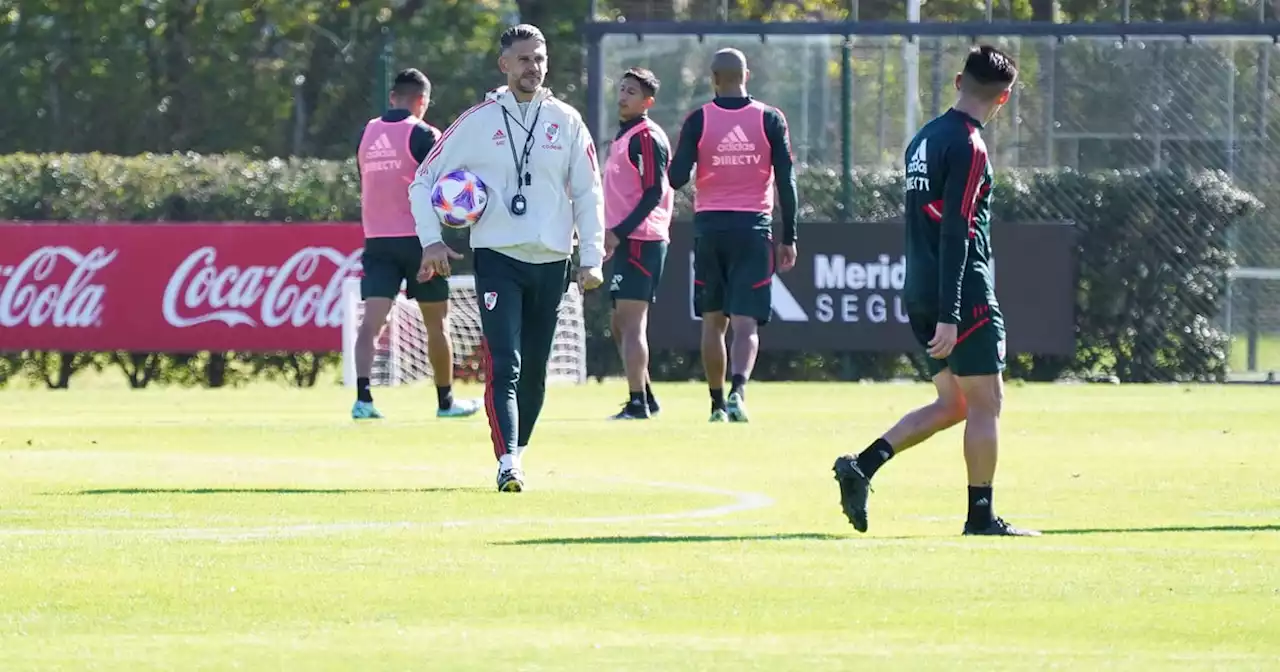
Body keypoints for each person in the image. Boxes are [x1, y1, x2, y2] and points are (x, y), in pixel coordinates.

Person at [832, 45, 1040, 537]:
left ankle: (863, 465)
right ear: (1004, 99)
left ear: (957, 81)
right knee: (987, 402)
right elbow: (957, 232)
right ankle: (981, 517)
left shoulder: (923, 138)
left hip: (919, 286)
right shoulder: (970, 146)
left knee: (955, 404)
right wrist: (952, 312)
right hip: (960, 293)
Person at [408, 24, 606, 493]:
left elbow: (588, 192)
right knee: (507, 362)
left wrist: (592, 258)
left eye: (539, 58)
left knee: (536, 370)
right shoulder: (477, 121)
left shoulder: (566, 120)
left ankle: (516, 452)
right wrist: (431, 241)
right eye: (523, 59)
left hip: (554, 259)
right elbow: (423, 179)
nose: (532, 67)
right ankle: (508, 460)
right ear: (504, 65)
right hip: (497, 256)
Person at [668, 48, 799, 423]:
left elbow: (676, 179)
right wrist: (789, 235)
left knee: (713, 321)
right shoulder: (770, 119)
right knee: (746, 323)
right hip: (753, 229)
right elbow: (787, 181)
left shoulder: (698, 120)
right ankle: (737, 393)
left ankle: (714, 405)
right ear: (747, 74)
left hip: (710, 229)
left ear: (713, 77)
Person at [352, 68, 481, 421]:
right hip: (419, 243)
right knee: (437, 324)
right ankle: (445, 402)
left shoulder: (366, 132)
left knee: (371, 324)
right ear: (422, 101)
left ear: (392, 97)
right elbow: (446, 186)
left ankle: (363, 401)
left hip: (377, 241)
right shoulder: (424, 133)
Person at [603, 67, 674, 420]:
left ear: (648, 102)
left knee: (631, 324)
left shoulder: (647, 136)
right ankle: (646, 395)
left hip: (641, 239)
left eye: (632, 92)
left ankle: (637, 404)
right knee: (619, 323)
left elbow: (654, 192)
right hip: (627, 241)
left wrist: (620, 231)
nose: (623, 96)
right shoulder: (624, 136)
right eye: (622, 89)